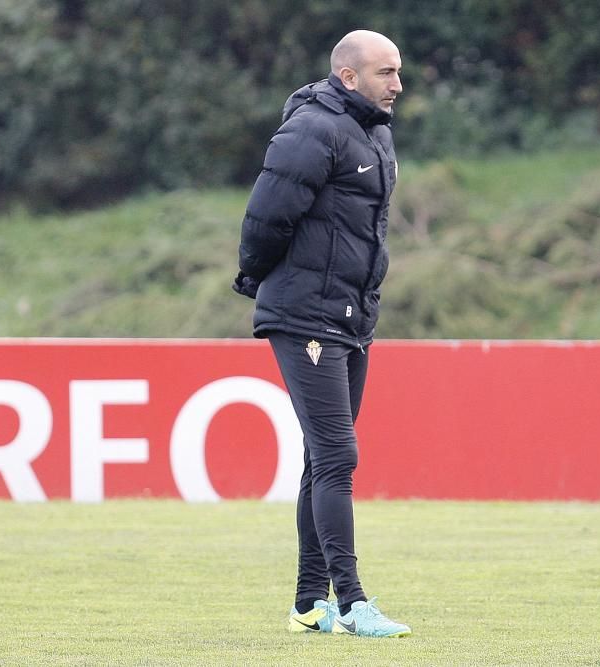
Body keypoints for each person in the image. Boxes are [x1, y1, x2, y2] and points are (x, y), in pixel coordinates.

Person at [233, 30, 411, 638]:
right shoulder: (313, 129)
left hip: (350, 318)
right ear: (349, 76)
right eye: (386, 73)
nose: (398, 85)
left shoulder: (376, 133)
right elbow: (266, 214)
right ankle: (354, 601)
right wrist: (255, 279)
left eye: (398, 72)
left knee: (321, 458)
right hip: (305, 316)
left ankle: (311, 602)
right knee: (338, 455)